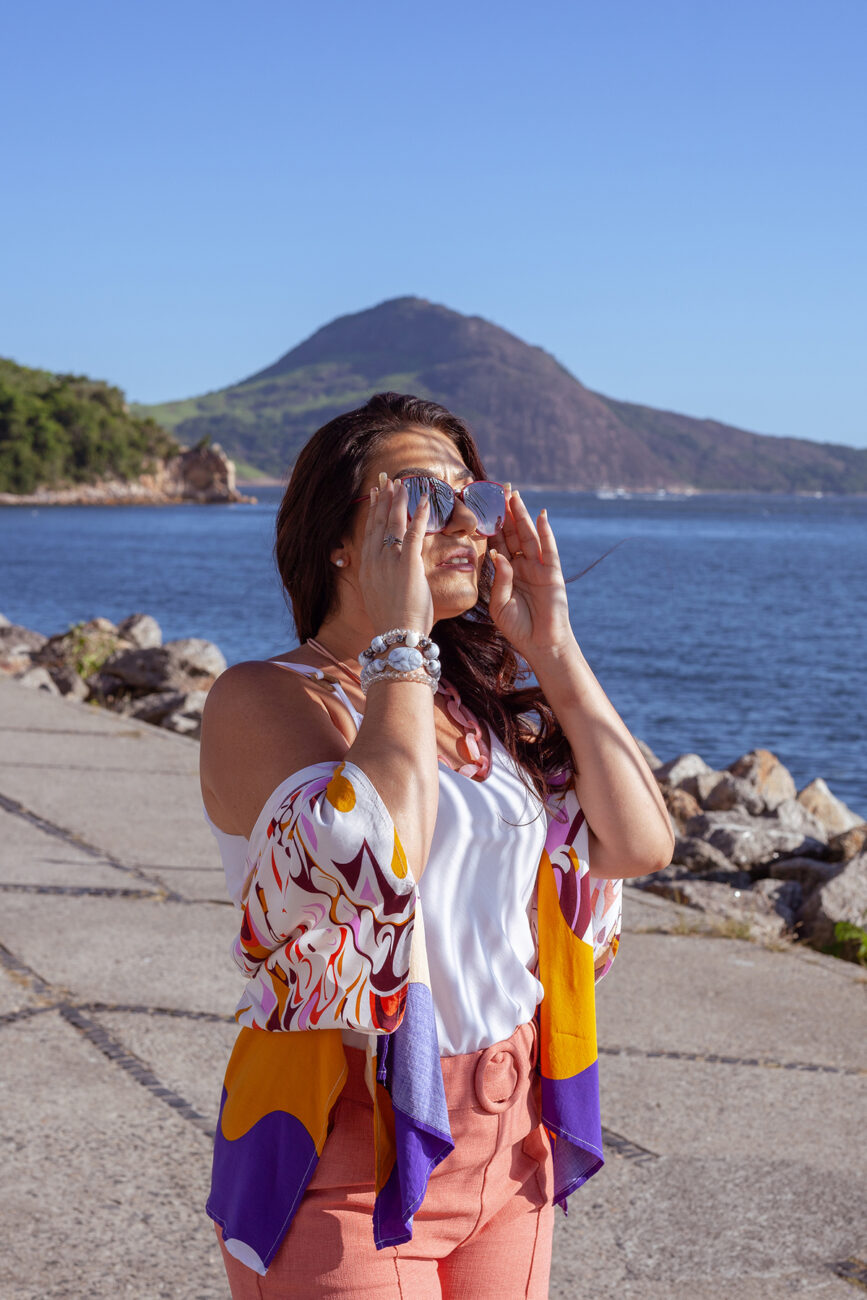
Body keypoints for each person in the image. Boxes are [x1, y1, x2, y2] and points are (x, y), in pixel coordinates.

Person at [199, 392, 673, 1299]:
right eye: (421, 496)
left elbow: (639, 844)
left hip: (513, 1128)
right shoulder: (265, 699)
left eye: (475, 496)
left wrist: (556, 652)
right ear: (340, 538)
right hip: (340, 1145)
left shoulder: (467, 703)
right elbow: (380, 864)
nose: (466, 519)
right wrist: (397, 639)